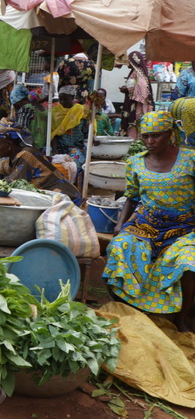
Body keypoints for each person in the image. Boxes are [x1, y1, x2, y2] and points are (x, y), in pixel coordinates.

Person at [103, 111, 195, 333]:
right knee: (120, 248)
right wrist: (119, 225)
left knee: (188, 261)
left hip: (185, 227)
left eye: (156, 136)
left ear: (170, 134)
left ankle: (184, 317)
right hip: (146, 224)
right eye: (145, 136)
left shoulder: (190, 159)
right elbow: (132, 196)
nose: (150, 141)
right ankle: (129, 309)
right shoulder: (135, 162)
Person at [51, 85, 89, 166]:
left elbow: (88, 127)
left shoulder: (80, 110)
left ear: (72, 98)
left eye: (65, 99)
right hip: (59, 145)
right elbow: (53, 133)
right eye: (60, 99)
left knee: (75, 164)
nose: (62, 102)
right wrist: (55, 149)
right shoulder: (56, 112)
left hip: (76, 146)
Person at [120, 52, 155, 139]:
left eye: (129, 61)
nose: (128, 64)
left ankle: (135, 143)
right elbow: (133, 85)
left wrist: (127, 90)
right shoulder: (136, 71)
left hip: (137, 105)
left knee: (135, 126)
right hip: (133, 103)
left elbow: (142, 88)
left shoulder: (138, 72)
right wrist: (127, 89)